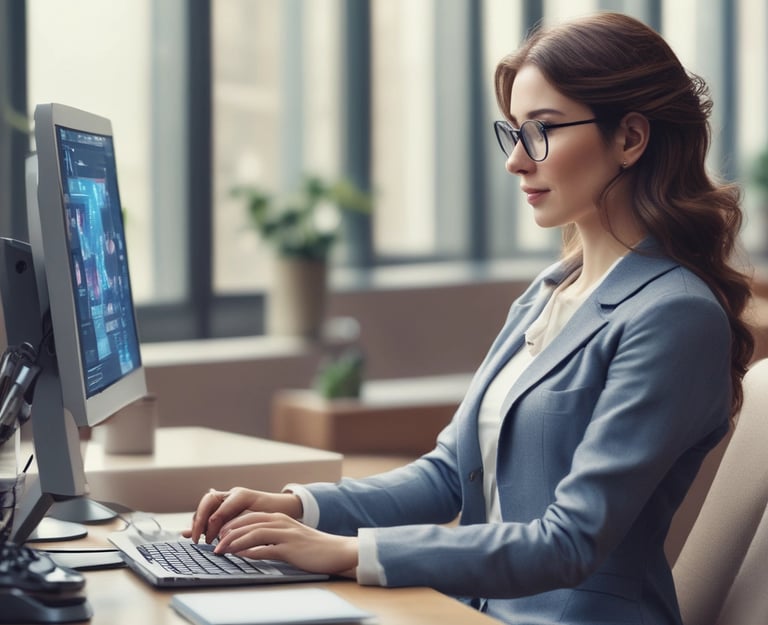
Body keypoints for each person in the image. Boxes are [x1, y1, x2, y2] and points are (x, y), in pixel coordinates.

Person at [184, 12, 755, 625]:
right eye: (513, 134)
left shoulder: (674, 316)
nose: (516, 162)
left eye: (543, 131)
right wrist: (298, 507)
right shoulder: (548, 290)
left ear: (630, 139)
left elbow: (569, 542)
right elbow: (447, 476)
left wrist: (348, 553)